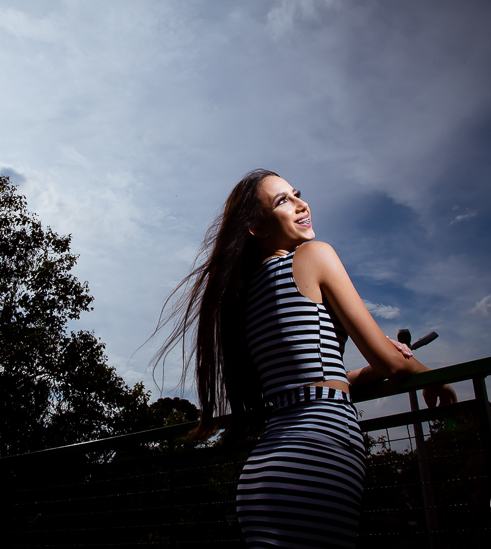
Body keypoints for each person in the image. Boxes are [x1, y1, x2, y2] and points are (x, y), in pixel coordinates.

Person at [153, 169, 456, 548]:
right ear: (257, 228)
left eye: (297, 194)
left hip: (266, 472)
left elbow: (318, 377)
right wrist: (431, 376)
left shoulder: (247, 295)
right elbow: (392, 365)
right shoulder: (315, 256)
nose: (300, 204)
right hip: (318, 455)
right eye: (283, 201)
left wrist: (375, 369)